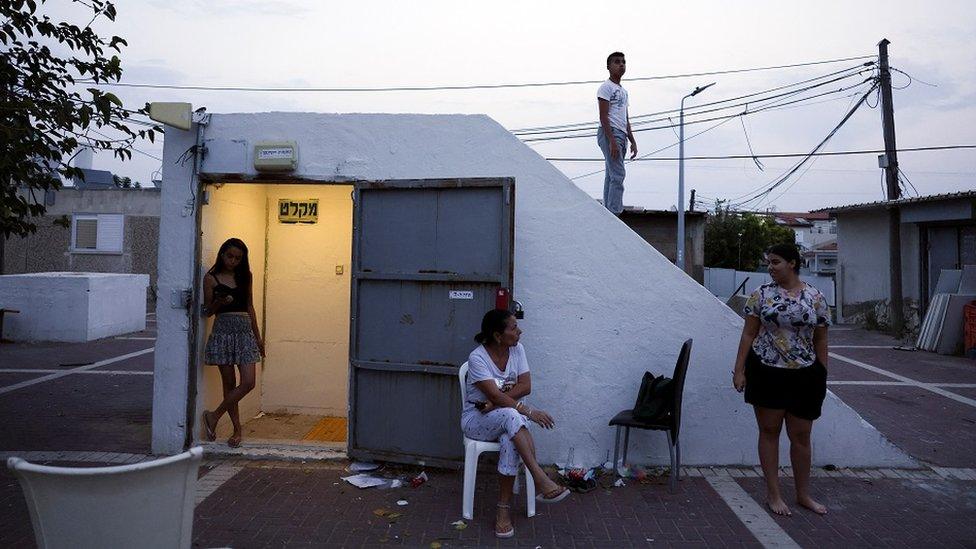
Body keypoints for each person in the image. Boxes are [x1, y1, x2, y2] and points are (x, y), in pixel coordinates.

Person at [732, 243, 831, 516]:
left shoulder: (816, 297)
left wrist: (822, 373)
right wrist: (739, 370)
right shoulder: (760, 295)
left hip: (805, 374)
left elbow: (821, 338)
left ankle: (803, 494)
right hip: (766, 371)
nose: (770, 267)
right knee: (769, 432)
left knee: (802, 436)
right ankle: (773, 494)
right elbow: (748, 335)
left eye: (775, 262)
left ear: (792, 263)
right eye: (769, 262)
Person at [462, 309, 570, 538]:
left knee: (510, 435)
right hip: (476, 419)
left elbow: (526, 386)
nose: (519, 331)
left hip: (501, 416)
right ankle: (539, 477)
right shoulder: (477, 358)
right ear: (497, 335)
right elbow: (498, 396)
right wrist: (526, 409)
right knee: (515, 416)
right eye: (513, 328)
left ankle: (503, 510)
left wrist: (498, 400)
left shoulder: (517, 349)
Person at [201, 238, 264, 448]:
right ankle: (237, 430)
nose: (233, 261)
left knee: (248, 382)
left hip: (245, 332)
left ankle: (214, 415)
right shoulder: (210, 279)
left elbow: (250, 307)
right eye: (230, 256)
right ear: (221, 254)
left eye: (238, 258)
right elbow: (208, 312)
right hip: (223, 332)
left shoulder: (245, 276)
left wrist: (258, 337)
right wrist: (219, 301)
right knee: (228, 384)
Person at [597, 51, 638, 215]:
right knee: (618, 174)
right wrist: (612, 140)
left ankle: (607, 211)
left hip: (621, 134)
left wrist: (633, 140)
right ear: (608, 67)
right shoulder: (606, 87)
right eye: (616, 62)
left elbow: (625, 118)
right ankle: (614, 213)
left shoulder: (623, 91)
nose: (621, 64)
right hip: (610, 133)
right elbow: (603, 116)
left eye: (623, 62)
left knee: (611, 174)